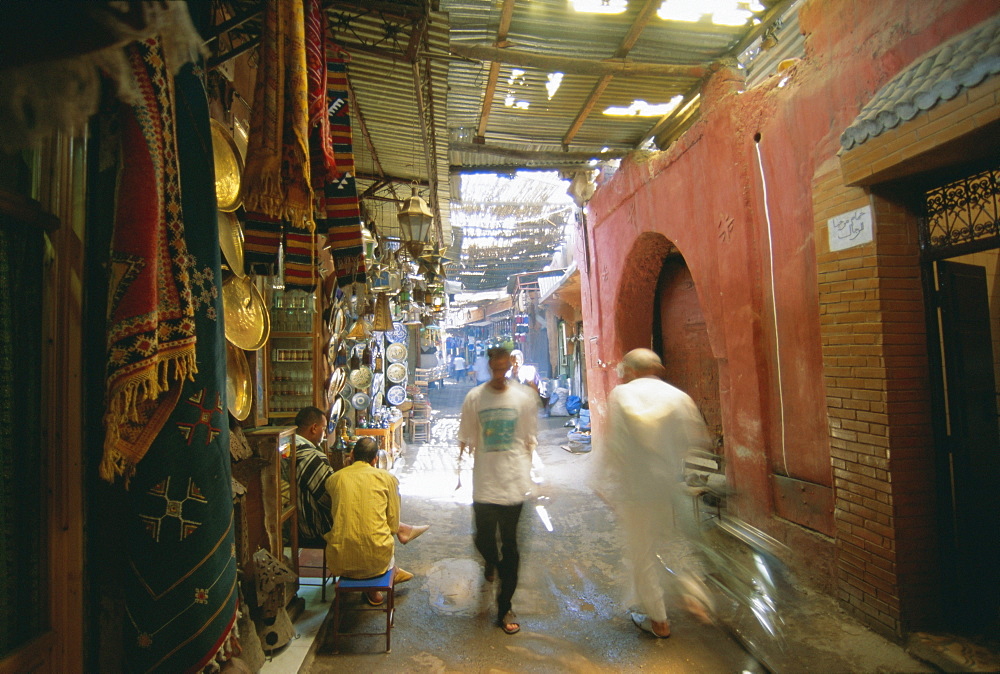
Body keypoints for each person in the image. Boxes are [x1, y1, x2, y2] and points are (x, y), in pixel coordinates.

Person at [594, 348, 712, 638]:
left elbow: (615, 446)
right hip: (669, 487)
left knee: (642, 555)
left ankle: (659, 620)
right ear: (655, 369)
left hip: (635, 490)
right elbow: (697, 441)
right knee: (677, 543)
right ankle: (694, 594)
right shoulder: (679, 397)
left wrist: (603, 483)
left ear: (630, 371)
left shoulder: (621, 396)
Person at [457, 346, 539, 634]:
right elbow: (466, 436)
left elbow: (530, 439)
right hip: (485, 484)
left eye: (504, 366)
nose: (500, 371)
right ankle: (491, 562)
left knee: (511, 549)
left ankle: (505, 607)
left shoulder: (524, 398)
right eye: (495, 366)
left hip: (514, 484)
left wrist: (533, 477)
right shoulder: (475, 398)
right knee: (483, 540)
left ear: (510, 365)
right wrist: (460, 460)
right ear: (489, 366)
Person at [294, 408, 427, 548]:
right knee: (361, 507)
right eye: (324, 428)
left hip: (298, 522)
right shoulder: (311, 457)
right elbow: (332, 499)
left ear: (352, 456)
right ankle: (402, 529)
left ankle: (402, 529)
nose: (326, 432)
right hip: (315, 527)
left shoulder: (291, 446)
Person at [324, 437, 428, 605]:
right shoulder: (387, 479)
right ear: (375, 459)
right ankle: (392, 572)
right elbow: (393, 525)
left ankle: (377, 587)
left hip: (339, 560)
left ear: (352, 454)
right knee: (382, 535)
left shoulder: (334, 479)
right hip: (377, 560)